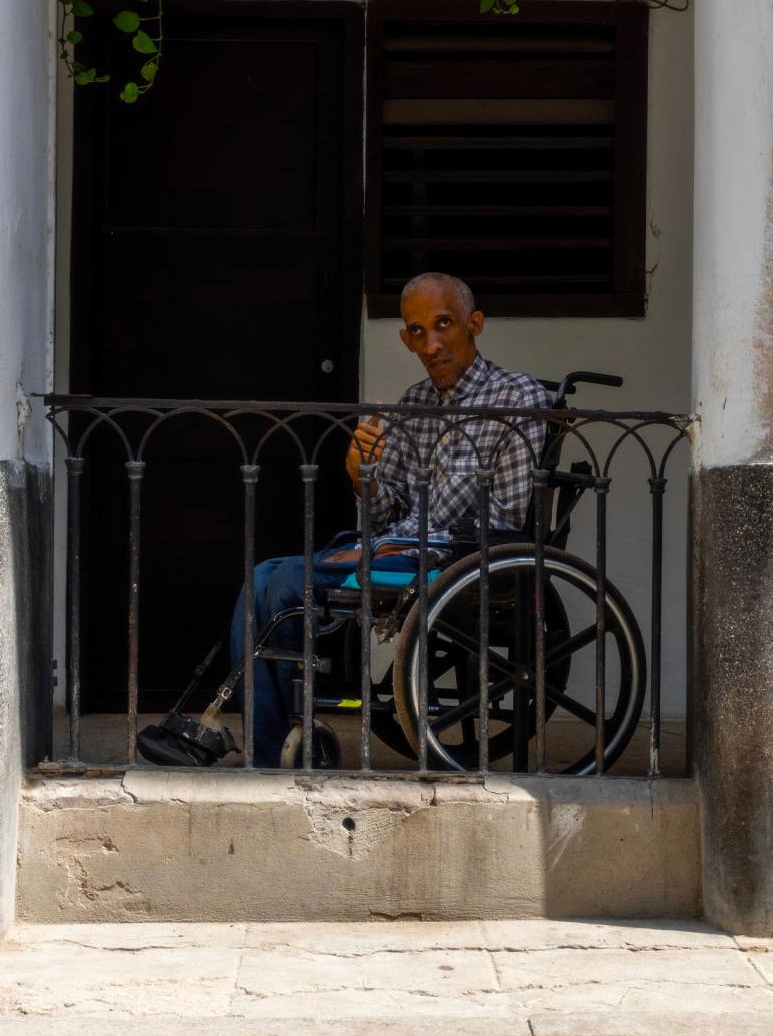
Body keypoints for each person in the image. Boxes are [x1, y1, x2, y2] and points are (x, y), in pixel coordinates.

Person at [225, 271, 549, 767]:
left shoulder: (517, 398)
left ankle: (270, 754)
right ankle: (271, 742)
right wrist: (363, 474)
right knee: (261, 577)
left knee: (289, 581)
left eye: (444, 325)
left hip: (459, 556)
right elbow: (386, 511)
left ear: (474, 323)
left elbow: (505, 516)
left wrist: (407, 541)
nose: (431, 343)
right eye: (417, 332)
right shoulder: (414, 402)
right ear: (405, 338)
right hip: (395, 547)